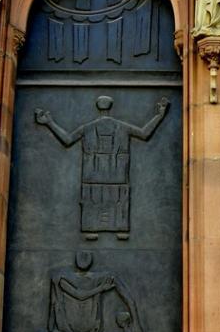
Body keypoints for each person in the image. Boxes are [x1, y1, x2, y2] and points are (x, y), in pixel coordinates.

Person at [35, 95, 169, 237]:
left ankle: (92, 231)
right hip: (116, 177)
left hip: (93, 177)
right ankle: (119, 230)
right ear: (110, 107)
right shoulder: (123, 127)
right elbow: (144, 133)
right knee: (117, 202)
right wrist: (159, 116)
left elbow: (67, 139)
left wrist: (50, 123)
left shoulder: (87, 128)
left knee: (95, 202)